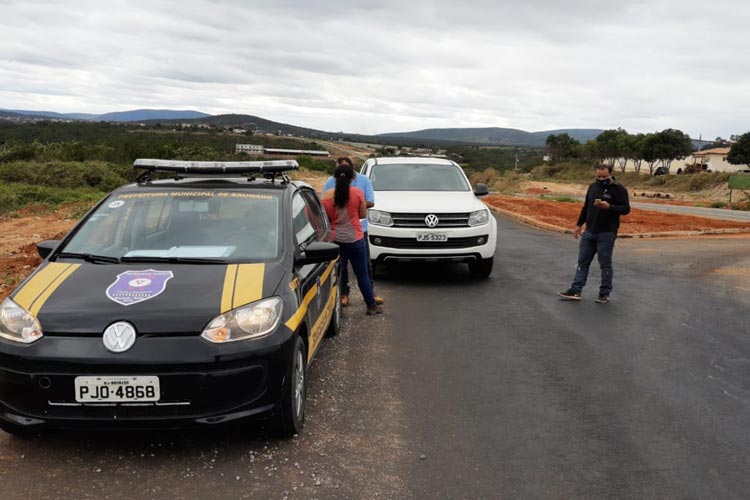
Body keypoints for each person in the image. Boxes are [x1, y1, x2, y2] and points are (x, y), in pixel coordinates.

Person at [558, 163, 630, 304]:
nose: (601, 178)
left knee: (605, 264)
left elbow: (626, 209)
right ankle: (576, 290)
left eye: (604, 176)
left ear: (610, 174)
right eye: (598, 176)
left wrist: (609, 207)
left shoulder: (619, 189)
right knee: (582, 262)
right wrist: (579, 225)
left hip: (607, 233)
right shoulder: (593, 187)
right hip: (589, 232)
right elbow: (586, 207)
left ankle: (604, 293)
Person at [322, 163, 383, 315]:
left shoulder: (326, 196)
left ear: (335, 178)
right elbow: (362, 214)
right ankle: (371, 305)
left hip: (335, 239)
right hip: (355, 239)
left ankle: (338, 305)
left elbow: (325, 218)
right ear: (352, 178)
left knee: (338, 273)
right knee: (362, 273)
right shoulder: (357, 193)